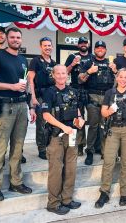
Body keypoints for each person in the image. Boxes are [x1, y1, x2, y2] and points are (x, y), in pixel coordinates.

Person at [0, 27, 36, 202]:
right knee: (0, 147)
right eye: (12, 37)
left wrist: (31, 105)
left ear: (21, 39)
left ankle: (16, 182)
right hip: (4, 106)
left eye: (18, 37)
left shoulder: (22, 59)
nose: (15, 40)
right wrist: (10, 87)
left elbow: (26, 83)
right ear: (6, 38)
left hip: (21, 106)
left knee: (18, 147)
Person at [95, 68, 126, 208]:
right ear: (116, 78)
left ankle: (124, 193)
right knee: (108, 161)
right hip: (113, 130)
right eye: (120, 76)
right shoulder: (110, 93)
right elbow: (103, 112)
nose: (123, 79)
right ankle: (104, 192)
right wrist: (110, 110)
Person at [42, 65, 84, 215]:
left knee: (71, 168)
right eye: (58, 73)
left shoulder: (73, 91)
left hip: (71, 135)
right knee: (56, 170)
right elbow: (46, 115)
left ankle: (67, 199)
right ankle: (53, 203)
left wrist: (80, 119)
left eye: (63, 73)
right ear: (53, 75)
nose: (61, 76)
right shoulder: (49, 92)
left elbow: (77, 109)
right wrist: (63, 127)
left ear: (67, 75)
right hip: (56, 136)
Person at [79, 40, 117, 165]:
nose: (100, 49)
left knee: (105, 126)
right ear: (94, 50)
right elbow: (80, 80)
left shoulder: (111, 63)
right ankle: (89, 151)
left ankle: (104, 151)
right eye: (98, 48)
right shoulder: (89, 62)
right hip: (93, 99)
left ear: (105, 50)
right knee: (93, 126)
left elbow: (119, 82)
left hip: (107, 98)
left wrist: (115, 71)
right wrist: (89, 71)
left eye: (102, 48)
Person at [27, 36, 57, 160]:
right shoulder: (35, 61)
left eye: (49, 45)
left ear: (52, 47)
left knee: (52, 123)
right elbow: (30, 80)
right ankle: (42, 149)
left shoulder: (54, 63)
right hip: (39, 97)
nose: (47, 47)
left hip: (51, 97)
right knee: (41, 124)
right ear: (41, 47)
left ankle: (50, 146)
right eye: (45, 45)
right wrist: (33, 98)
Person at [65, 36, 93, 156]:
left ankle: (93, 146)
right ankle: (80, 145)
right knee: (78, 119)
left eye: (85, 42)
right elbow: (65, 71)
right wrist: (72, 64)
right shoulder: (72, 56)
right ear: (78, 45)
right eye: (81, 42)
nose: (83, 44)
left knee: (93, 119)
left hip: (90, 90)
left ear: (88, 44)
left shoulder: (92, 57)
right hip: (76, 90)